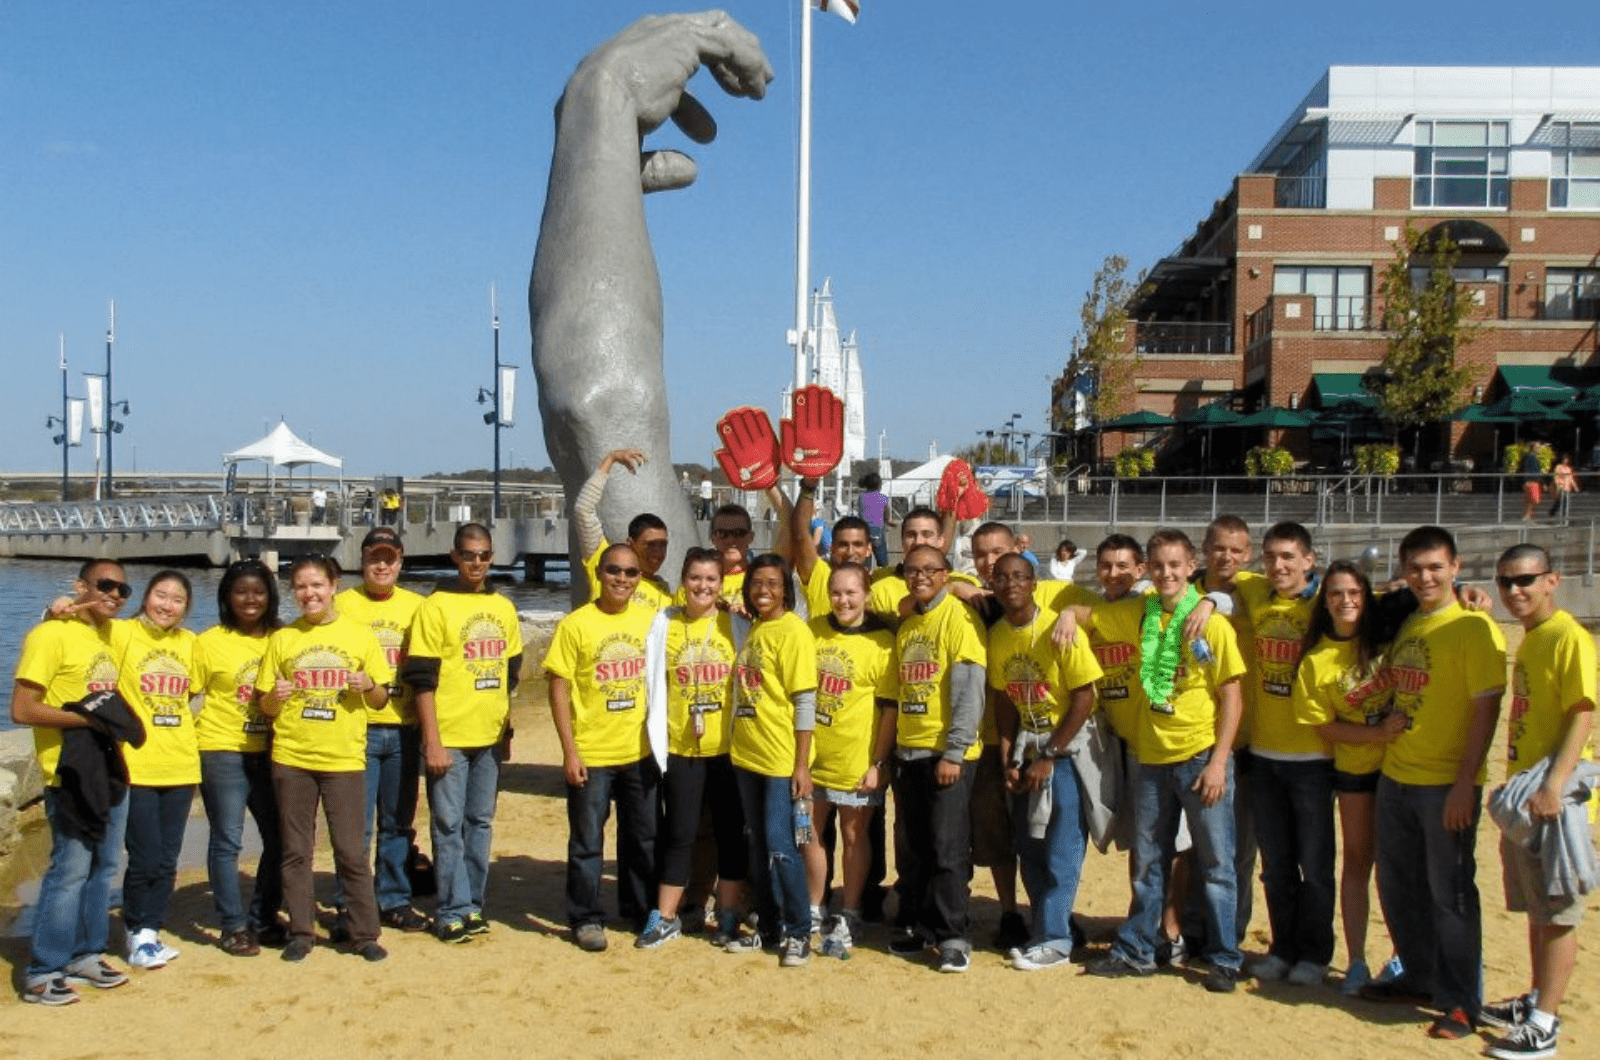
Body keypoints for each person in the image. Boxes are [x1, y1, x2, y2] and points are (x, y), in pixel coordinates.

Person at [530, 11, 772, 564]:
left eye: (737, 538)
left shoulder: (777, 615)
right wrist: (595, 160)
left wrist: (601, 105)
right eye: (729, 537)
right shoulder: (738, 605)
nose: (733, 547)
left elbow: (593, 403)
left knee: (597, 408)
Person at [1360, 525, 1506, 1040]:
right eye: (1416, 568)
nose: (1426, 576)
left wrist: (1466, 783)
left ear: (1457, 567)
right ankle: (1420, 975)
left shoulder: (1474, 628)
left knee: (1452, 896)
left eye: (1436, 567)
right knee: (1399, 888)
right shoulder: (1408, 622)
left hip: (1445, 782)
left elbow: (1485, 711)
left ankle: (1462, 1001)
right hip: (1397, 774)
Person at [1086, 529, 1246, 993]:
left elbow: (1231, 698)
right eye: (1158, 566)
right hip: (1151, 757)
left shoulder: (1211, 621)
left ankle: (1224, 957)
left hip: (1199, 758)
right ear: (1147, 571)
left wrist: (1218, 763)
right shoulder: (1140, 612)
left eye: (1175, 565)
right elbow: (1087, 615)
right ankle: (1137, 949)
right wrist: (1066, 620)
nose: (1167, 574)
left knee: (1217, 863)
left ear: (1191, 564)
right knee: (1149, 861)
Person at [1480, 544, 1595, 1059]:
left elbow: (1582, 712)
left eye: (1525, 580)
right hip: (1528, 793)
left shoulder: (1569, 636)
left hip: (1554, 797)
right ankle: (1534, 999)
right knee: (1536, 908)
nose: (1514, 591)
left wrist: (1555, 785)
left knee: (1558, 914)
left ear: (1552, 580)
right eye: (1506, 581)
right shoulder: (1532, 639)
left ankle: (1545, 1022)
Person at [257, 555, 392, 963]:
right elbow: (264, 705)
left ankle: (363, 932)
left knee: (350, 850)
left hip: (344, 758)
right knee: (296, 849)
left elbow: (381, 697)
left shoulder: (359, 635)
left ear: (333, 586)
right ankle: (301, 931)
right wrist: (273, 699)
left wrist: (367, 685)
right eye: (300, 586)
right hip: (292, 756)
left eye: (316, 585)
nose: (309, 593)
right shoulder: (282, 639)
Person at [13, 559, 136, 1004]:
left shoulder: (112, 633)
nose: (115, 595)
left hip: (109, 770)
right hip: (68, 774)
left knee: (103, 868)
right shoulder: (51, 636)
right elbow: (23, 709)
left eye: (124, 589)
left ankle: (85, 954)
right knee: (69, 870)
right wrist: (87, 720)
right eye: (105, 585)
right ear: (80, 585)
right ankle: (44, 969)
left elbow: (166, 624)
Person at [1290, 560, 1406, 996]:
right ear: (1326, 600)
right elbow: (1323, 726)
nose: (1346, 601)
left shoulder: (1388, 634)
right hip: (1357, 771)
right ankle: (1356, 961)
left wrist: (1471, 593)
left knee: (1399, 868)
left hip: (1403, 768)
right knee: (1358, 862)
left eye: (1354, 592)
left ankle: (1402, 956)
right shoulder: (1317, 659)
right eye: (1336, 593)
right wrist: (1375, 732)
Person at [406, 523, 524, 944]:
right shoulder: (434, 607)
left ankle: (473, 903)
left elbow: (510, 675)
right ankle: (451, 909)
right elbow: (422, 679)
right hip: (450, 737)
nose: (477, 563)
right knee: (447, 824)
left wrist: (505, 730)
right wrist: (432, 740)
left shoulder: (504, 608)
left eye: (485, 555)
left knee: (480, 823)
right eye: (469, 554)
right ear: (455, 556)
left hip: (488, 738)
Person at [987, 552, 1103, 971]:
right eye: (1001, 577)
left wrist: (1051, 753)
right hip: (1026, 748)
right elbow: (1002, 697)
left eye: (1019, 576)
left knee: (1061, 845)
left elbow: (1084, 695)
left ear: (1034, 583)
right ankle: (1047, 927)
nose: (1011, 584)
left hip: (1064, 750)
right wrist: (1008, 754)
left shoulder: (1059, 628)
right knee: (1029, 844)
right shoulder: (999, 635)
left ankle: (1055, 938)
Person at [1233, 522, 1334, 987]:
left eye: (1289, 557)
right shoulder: (1256, 591)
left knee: (1314, 865)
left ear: (1309, 561)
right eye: (1271, 557)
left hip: (1314, 757)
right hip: (1263, 754)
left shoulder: (1328, 603)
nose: (1278, 566)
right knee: (1274, 867)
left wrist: (1469, 593)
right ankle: (1282, 947)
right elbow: (1211, 583)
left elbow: (1385, 601)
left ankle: (1314, 954)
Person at [545, 542, 657, 951]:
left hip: (640, 752)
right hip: (593, 753)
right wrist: (569, 750)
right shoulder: (576, 625)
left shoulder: (651, 621)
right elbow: (558, 687)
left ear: (639, 578)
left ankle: (640, 908)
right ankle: (586, 916)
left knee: (642, 838)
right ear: (599, 573)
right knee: (587, 841)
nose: (622, 579)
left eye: (630, 573)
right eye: (614, 571)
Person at [636, 548, 748, 949]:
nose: (703, 586)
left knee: (731, 834)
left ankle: (729, 914)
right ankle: (665, 916)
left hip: (728, 749)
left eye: (711, 580)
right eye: (695, 578)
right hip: (682, 748)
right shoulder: (664, 623)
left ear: (722, 584)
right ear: (682, 580)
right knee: (680, 833)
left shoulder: (736, 624)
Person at [888, 544, 987, 973]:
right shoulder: (910, 622)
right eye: (912, 570)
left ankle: (953, 934)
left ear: (946, 573)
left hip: (946, 753)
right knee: (917, 848)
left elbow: (969, 690)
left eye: (930, 570)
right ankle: (922, 925)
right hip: (910, 750)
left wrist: (955, 751)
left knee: (948, 848)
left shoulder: (959, 619)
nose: (920, 577)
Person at [332, 527, 430, 935]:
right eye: (375, 557)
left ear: (401, 562)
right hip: (357, 728)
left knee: (397, 821)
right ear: (363, 561)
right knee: (357, 825)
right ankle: (348, 903)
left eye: (390, 558)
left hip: (404, 728)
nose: (383, 565)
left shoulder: (419, 606)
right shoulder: (341, 604)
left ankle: (393, 897)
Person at [801, 561, 897, 955]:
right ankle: (814, 905)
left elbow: (889, 710)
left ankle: (851, 910)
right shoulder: (813, 631)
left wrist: (878, 763)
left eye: (851, 593)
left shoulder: (882, 643)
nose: (842, 600)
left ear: (867, 596)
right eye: (836, 592)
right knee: (809, 830)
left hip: (856, 758)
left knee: (855, 835)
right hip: (815, 754)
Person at [726, 554, 818, 966]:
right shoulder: (753, 627)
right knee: (758, 845)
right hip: (747, 754)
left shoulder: (793, 632)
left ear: (786, 590)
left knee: (783, 847)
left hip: (781, 758)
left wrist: (801, 765)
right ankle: (768, 929)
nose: (764, 591)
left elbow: (804, 701)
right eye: (756, 583)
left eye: (773, 584)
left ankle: (799, 932)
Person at [194, 558, 286, 957]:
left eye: (259, 592)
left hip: (271, 750)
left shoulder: (283, 638)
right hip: (222, 749)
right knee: (228, 838)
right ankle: (233, 925)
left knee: (280, 838)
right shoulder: (209, 641)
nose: (250, 600)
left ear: (271, 597)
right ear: (226, 597)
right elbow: (182, 693)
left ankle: (263, 917)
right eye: (241, 592)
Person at [114, 572, 202, 971]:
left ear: (187, 607)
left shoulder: (189, 643)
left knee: (168, 858)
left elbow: (193, 692)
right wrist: (56, 608)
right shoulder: (122, 633)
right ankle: (134, 928)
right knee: (144, 855)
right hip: (137, 764)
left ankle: (150, 930)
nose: (167, 605)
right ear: (145, 596)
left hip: (181, 764)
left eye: (177, 599)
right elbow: (76, 635)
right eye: (160, 595)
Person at [573, 448, 673, 609]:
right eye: (650, 544)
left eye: (662, 545)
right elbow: (583, 510)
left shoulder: (666, 596)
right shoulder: (606, 563)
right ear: (630, 543)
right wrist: (611, 459)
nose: (657, 551)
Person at [858, 471, 893, 568]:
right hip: (878, 530)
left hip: (864, 530)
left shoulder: (861, 497)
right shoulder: (883, 498)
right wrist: (887, 521)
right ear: (879, 485)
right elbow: (886, 512)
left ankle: (866, 576)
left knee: (865, 558)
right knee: (882, 559)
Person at [1548, 452, 1578, 521]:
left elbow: (1571, 478)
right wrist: (1558, 484)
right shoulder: (1558, 467)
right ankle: (1561, 517)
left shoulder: (1568, 468)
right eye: (1565, 459)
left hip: (1567, 488)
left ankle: (1556, 515)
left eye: (1567, 459)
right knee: (1562, 503)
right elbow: (1556, 476)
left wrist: (1575, 486)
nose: (1566, 460)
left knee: (1562, 503)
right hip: (1561, 487)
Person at [1520, 442, 1544, 522]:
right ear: (1533, 447)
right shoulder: (1531, 457)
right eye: (1538, 447)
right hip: (1532, 481)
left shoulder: (1534, 457)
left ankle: (1529, 516)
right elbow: (1529, 469)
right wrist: (1527, 480)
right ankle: (1528, 516)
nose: (1539, 448)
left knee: (1531, 500)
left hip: (1533, 480)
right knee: (1534, 500)